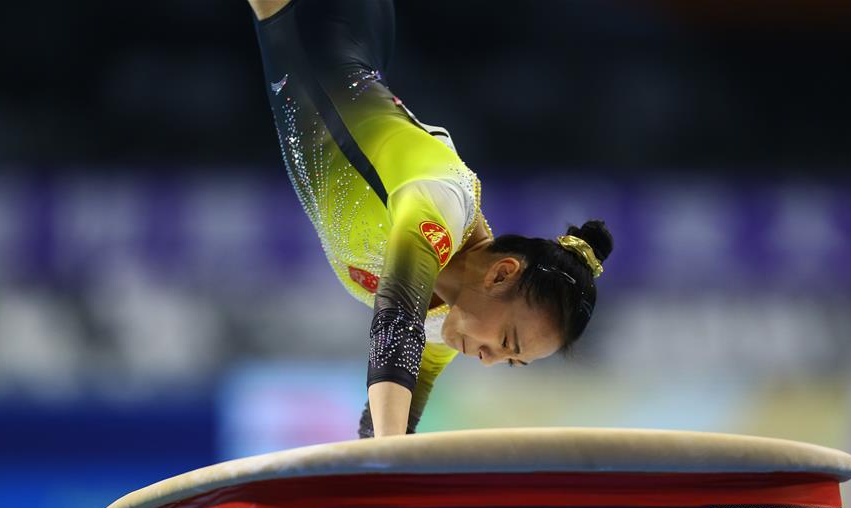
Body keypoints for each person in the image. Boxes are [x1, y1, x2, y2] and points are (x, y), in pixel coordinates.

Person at [246, 0, 614, 438]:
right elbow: (394, 330)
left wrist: (377, 488)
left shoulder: (442, 326)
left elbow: (391, 423)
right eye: (506, 341)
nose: (489, 359)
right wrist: (386, 462)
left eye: (511, 361)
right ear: (501, 274)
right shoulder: (439, 205)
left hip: (328, 38)